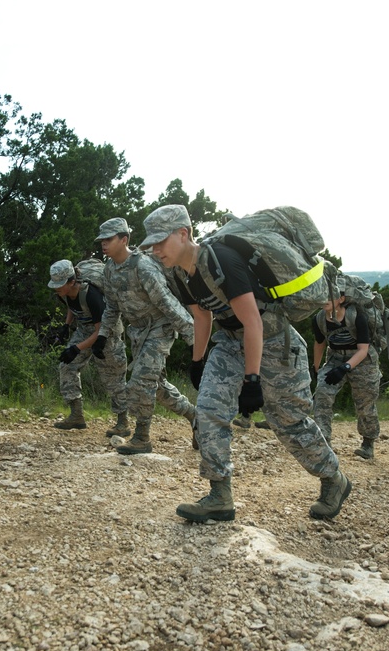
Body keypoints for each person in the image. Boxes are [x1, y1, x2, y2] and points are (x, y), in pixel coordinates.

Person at [141, 204, 351, 522]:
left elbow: (253, 321)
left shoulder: (219, 259)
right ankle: (219, 496)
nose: (155, 250)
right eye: (151, 244)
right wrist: (198, 361)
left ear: (183, 234)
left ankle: (334, 479)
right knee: (209, 409)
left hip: (273, 339)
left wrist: (252, 380)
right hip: (229, 340)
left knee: (287, 420)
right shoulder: (177, 272)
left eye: (161, 241)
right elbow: (201, 314)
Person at [95, 217, 198, 454]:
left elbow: (167, 303)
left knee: (140, 380)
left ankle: (142, 437)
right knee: (156, 386)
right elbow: (111, 307)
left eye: (109, 239)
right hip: (138, 331)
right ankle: (194, 416)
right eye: (102, 240)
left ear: (124, 239)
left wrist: (193, 338)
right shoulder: (109, 270)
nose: (104, 244)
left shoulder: (143, 266)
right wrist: (102, 335)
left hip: (160, 326)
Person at [47, 259, 130, 436]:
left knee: (113, 377)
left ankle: (123, 422)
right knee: (67, 366)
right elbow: (72, 305)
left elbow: (100, 331)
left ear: (72, 281)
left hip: (106, 334)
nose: (57, 289)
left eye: (60, 285)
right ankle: (76, 416)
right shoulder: (63, 292)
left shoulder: (92, 295)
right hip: (85, 330)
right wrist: (66, 326)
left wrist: (76, 349)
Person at [311, 279, 382, 459]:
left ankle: (368, 443)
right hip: (335, 357)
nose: (325, 299)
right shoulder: (319, 318)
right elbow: (320, 343)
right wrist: (317, 367)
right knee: (322, 395)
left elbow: (363, 349)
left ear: (341, 298)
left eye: (330, 295)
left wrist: (345, 368)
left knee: (365, 402)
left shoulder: (357, 316)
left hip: (363, 360)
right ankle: (324, 441)